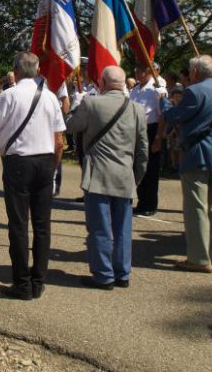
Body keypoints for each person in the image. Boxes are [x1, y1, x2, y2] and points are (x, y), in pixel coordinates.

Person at [0, 52, 65, 300]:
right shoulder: (50, 98)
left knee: (18, 224)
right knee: (42, 226)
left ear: (15, 70)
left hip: (18, 162)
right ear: (37, 70)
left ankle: (22, 283)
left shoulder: (7, 96)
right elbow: (59, 140)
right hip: (45, 161)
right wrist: (53, 165)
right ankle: (38, 281)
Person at [65, 65, 148, 289]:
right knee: (123, 229)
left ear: (102, 83)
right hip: (124, 175)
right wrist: (136, 178)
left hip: (98, 175)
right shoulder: (137, 109)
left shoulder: (91, 103)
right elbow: (143, 151)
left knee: (100, 228)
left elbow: (71, 125)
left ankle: (103, 275)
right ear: (122, 84)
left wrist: (76, 105)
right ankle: (122, 273)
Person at [163, 55, 212, 273]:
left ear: (195, 72)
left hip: (198, 154)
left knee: (196, 207)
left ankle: (199, 258)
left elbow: (175, 115)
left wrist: (165, 103)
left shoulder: (194, 92)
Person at [129, 65, 167, 216]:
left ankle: (150, 204)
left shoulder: (158, 90)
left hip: (151, 130)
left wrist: (158, 137)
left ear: (149, 71)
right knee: (137, 167)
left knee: (150, 169)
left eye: (140, 70)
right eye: (136, 70)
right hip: (135, 130)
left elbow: (162, 116)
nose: (137, 72)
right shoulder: (135, 89)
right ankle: (141, 201)